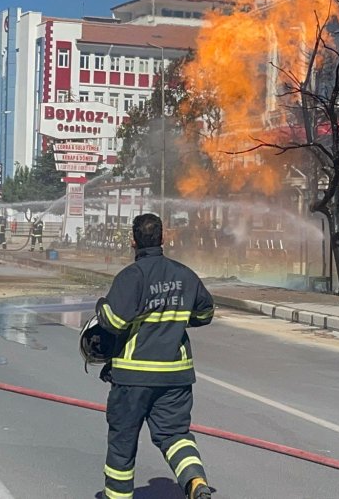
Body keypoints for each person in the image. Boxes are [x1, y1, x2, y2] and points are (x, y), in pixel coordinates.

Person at [96, 213, 215, 499]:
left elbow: (112, 322)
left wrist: (101, 306)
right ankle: (195, 481)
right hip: (175, 375)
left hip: (133, 377)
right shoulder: (184, 274)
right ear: (163, 238)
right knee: (175, 435)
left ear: (133, 241)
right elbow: (205, 312)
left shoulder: (131, 277)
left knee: (123, 441)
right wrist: (177, 318)